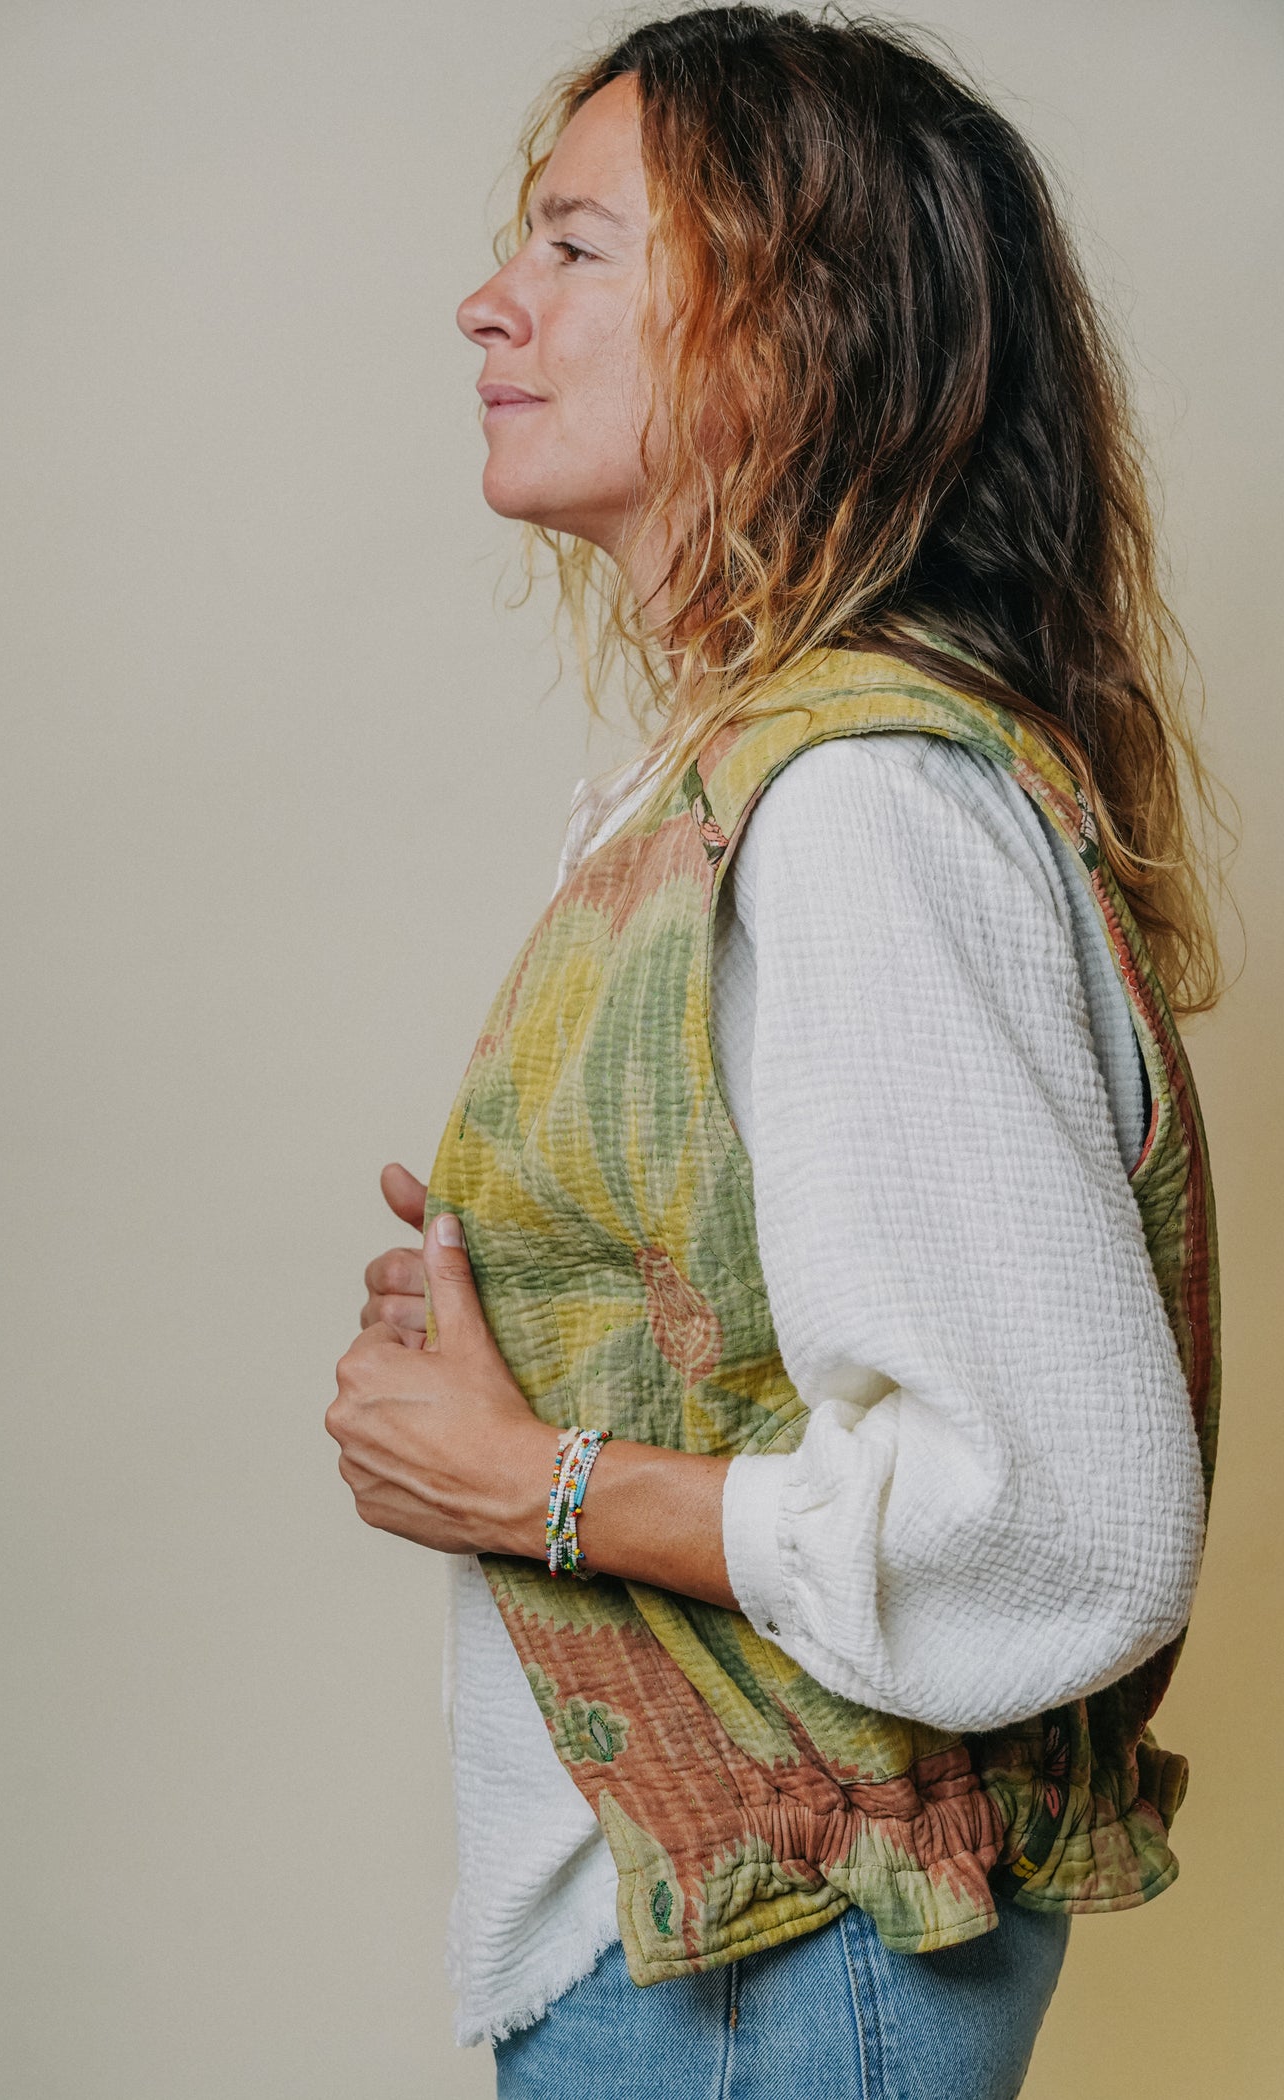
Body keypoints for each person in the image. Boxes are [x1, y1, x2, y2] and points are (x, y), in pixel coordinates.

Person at [324, 10, 1227, 2096]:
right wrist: (529, 1336)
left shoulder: (856, 808)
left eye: (577, 247)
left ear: (792, 337)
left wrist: (529, 1479)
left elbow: (1061, 1524)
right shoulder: (751, 773)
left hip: (776, 1976)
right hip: (713, 1960)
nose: (489, 302)